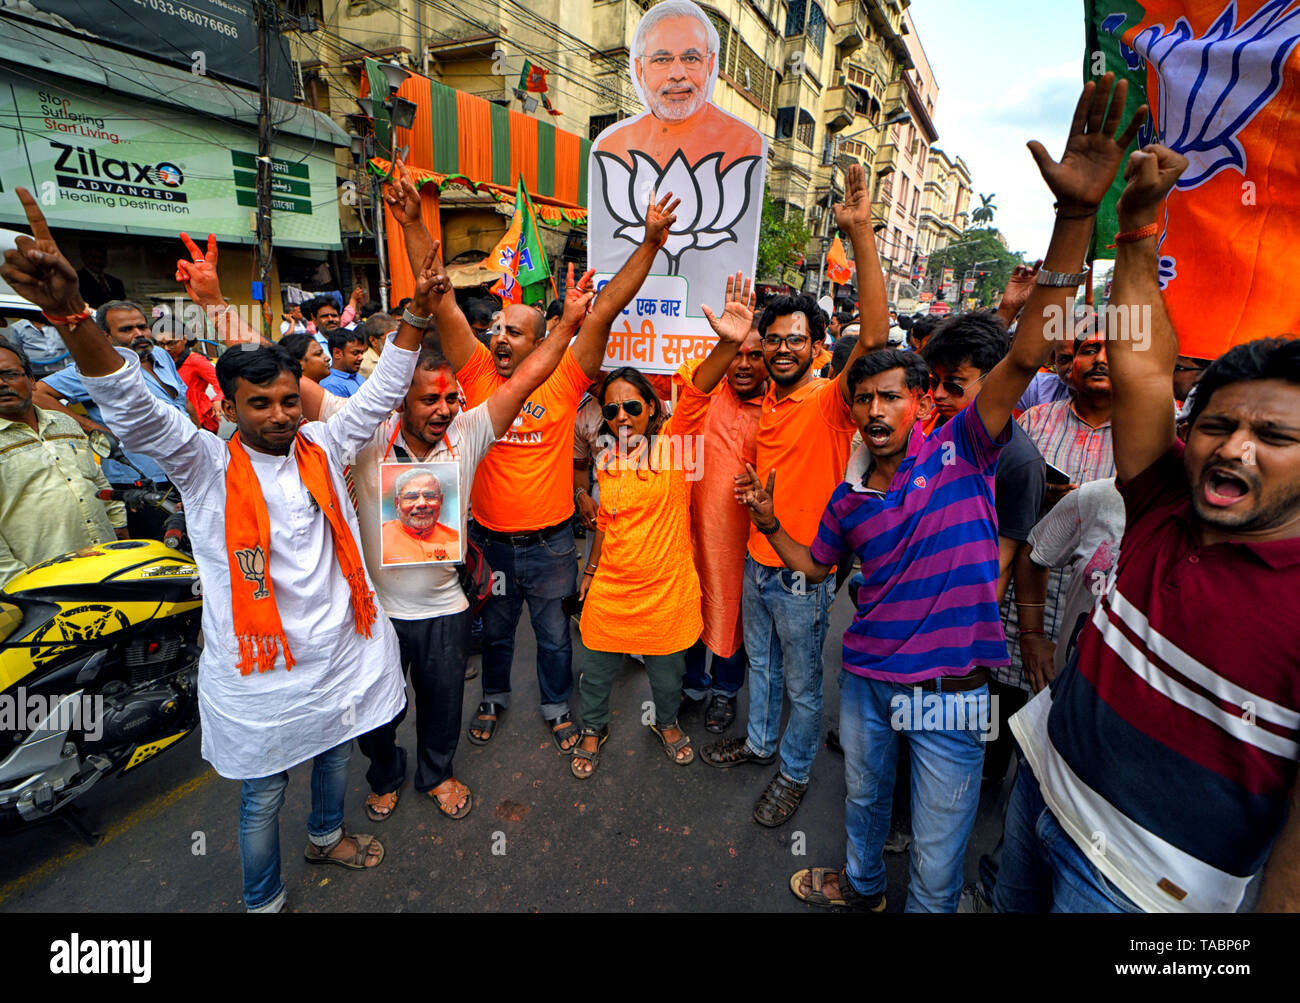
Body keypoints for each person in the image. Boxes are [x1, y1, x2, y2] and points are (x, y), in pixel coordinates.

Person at [760, 72, 1147, 913]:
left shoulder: (970, 447)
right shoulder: (846, 496)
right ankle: (861, 887)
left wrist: (1075, 218)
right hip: (862, 682)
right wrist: (765, 522)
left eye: (892, 394)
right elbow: (813, 565)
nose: (874, 408)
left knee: (937, 853)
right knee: (864, 806)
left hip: (956, 700)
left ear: (922, 401)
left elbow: (1030, 345)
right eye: (863, 398)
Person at [1, 192, 428, 913]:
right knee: (262, 795)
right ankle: (263, 900)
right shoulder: (203, 463)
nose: (280, 415)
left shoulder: (324, 442)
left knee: (333, 756)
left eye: (289, 400)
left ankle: (327, 836)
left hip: (340, 652)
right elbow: (133, 406)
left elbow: (385, 389)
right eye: (259, 404)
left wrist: (416, 313)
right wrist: (74, 318)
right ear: (228, 407)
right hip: (261, 677)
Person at [996, 140, 1300, 914]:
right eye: (1218, 423)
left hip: (1141, 894)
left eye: (1274, 436)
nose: (1234, 446)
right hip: (1041, 795)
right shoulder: (1164, 498)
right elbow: (1141, 368)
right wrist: (1135, 229)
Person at [385, 160, 667, 755]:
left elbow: (607, 308)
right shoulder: (479, 372)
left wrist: (648, 244)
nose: (501, 338)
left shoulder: (564, 377)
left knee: (553, 636)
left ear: (541, 340)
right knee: (496, 631)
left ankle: (556, 706)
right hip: (488, 539)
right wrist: (413, 224)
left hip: (552, 543)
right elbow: (439, 301)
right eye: (498, 329)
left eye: (516, 331)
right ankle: (493, 700)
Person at [339, 257, 596, 822]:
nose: (444, 410)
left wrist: (569, 324)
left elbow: (530, 377)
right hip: (375, 611)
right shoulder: (358, 436)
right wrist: (216, 307)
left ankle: (437, 773)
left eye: (452, 398)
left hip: (446, 606)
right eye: (429, 399)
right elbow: (282, 391)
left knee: (442, 702)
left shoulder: (470, 431)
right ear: (398, 400)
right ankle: (384, 773)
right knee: (376, 712)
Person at [699, 163, 884, 830]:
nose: (780, 348)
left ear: (814, 346)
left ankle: (796, 772)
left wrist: (859, 233)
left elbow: (874, 335)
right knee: (764, 668)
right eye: (771, 339)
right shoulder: (767, 403)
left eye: (792, 340)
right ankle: (757, 745)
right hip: (758, 559)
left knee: (805, 687)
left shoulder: (831, 398)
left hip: (805, 573)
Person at [571, 273, 753, 778]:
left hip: (668, 590)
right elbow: (606, 523)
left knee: (669, 677)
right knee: (596, 675)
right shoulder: (607, 459)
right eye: (612, 409)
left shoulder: (675, 447)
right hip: (612, 588)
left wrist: (727, 344)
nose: (622, 416)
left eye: (633, 405)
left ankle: (666, 723)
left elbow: (696, 389)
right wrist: (588, 575)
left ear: (651, 408)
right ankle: (593, 728)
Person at [33, 298, 189, 539]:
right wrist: (91, 427)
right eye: (127, 329)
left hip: (183, 471)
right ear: (105, 337)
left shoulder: (160, 355)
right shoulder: (97, 367)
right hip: (139, 478)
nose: (139, 334)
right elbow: (38, 394)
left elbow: (180, 404)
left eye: (142, 326)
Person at [680, 321, 766, 732]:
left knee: (733, 616)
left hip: (742, 543)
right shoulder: (705, 390)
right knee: (691, 608)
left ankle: (725, 692)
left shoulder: (778, 411)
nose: (743, 364)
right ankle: (692, 685)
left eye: (755, 355)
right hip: (690, 534)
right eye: (737, 354)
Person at [0, 336, 124, 586]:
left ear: (31, 380)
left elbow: (97, 481)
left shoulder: (65, 423)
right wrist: (16, 584)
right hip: (43, 582)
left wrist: (120, 530)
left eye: (10, 374)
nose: (2, 384)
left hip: (107, 564)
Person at [382, 469, 460, 563]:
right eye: (411, 497)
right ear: (397, 503)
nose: (422, 504)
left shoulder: (457, 541)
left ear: (441, 500)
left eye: (429, 496)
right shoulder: (379, 539)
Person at [157, 333, 224, 433]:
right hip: (174, 419)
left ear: (184, 339)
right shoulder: (162, 361)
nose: (166, 348)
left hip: (199, 419)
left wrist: (218, 399)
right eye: (161, 344)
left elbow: (221, 381)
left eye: (171, 343)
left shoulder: (196, 360)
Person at [320, 327, 368, 398]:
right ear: (337, 353)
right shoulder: (332, 385)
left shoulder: (358, 377)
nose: (361, 357)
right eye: (355, 353)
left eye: (362, 353)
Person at [75, 243, 125, 309]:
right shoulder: (77, 280)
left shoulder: (116, 283)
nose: (97, 261)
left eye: (101, 257)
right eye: (93, 257)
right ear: (83, 257)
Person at [358, 313, 395, 379]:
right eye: (390, 338)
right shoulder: (363, 365)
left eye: (396, 337)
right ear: (373, 341)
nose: (395, 342)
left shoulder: (395, 358)